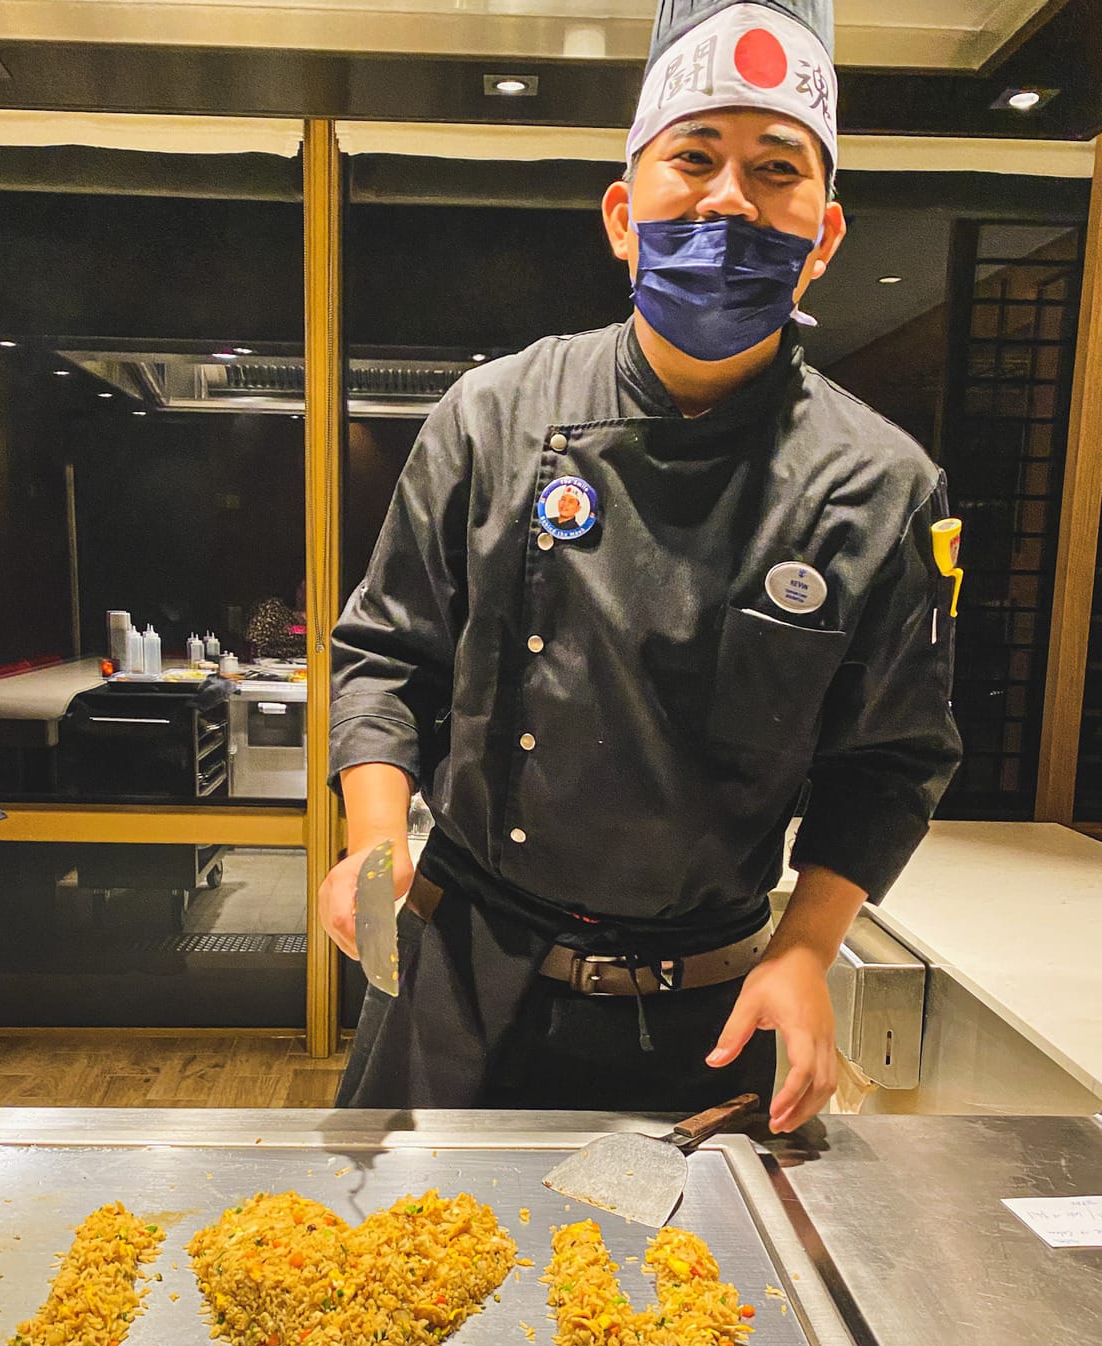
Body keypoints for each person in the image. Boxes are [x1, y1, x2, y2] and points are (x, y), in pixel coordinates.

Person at [320, 0, 962, 1130]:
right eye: (695, 158)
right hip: (461, 980)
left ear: (826, 233)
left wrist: (808, 946)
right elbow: (384, 654)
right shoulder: (496, 414)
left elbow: (891, 762)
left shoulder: (879, 483)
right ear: (624, 215)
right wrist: (374, 847)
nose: (729, 198)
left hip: (709, 1009)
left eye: (776, 169)